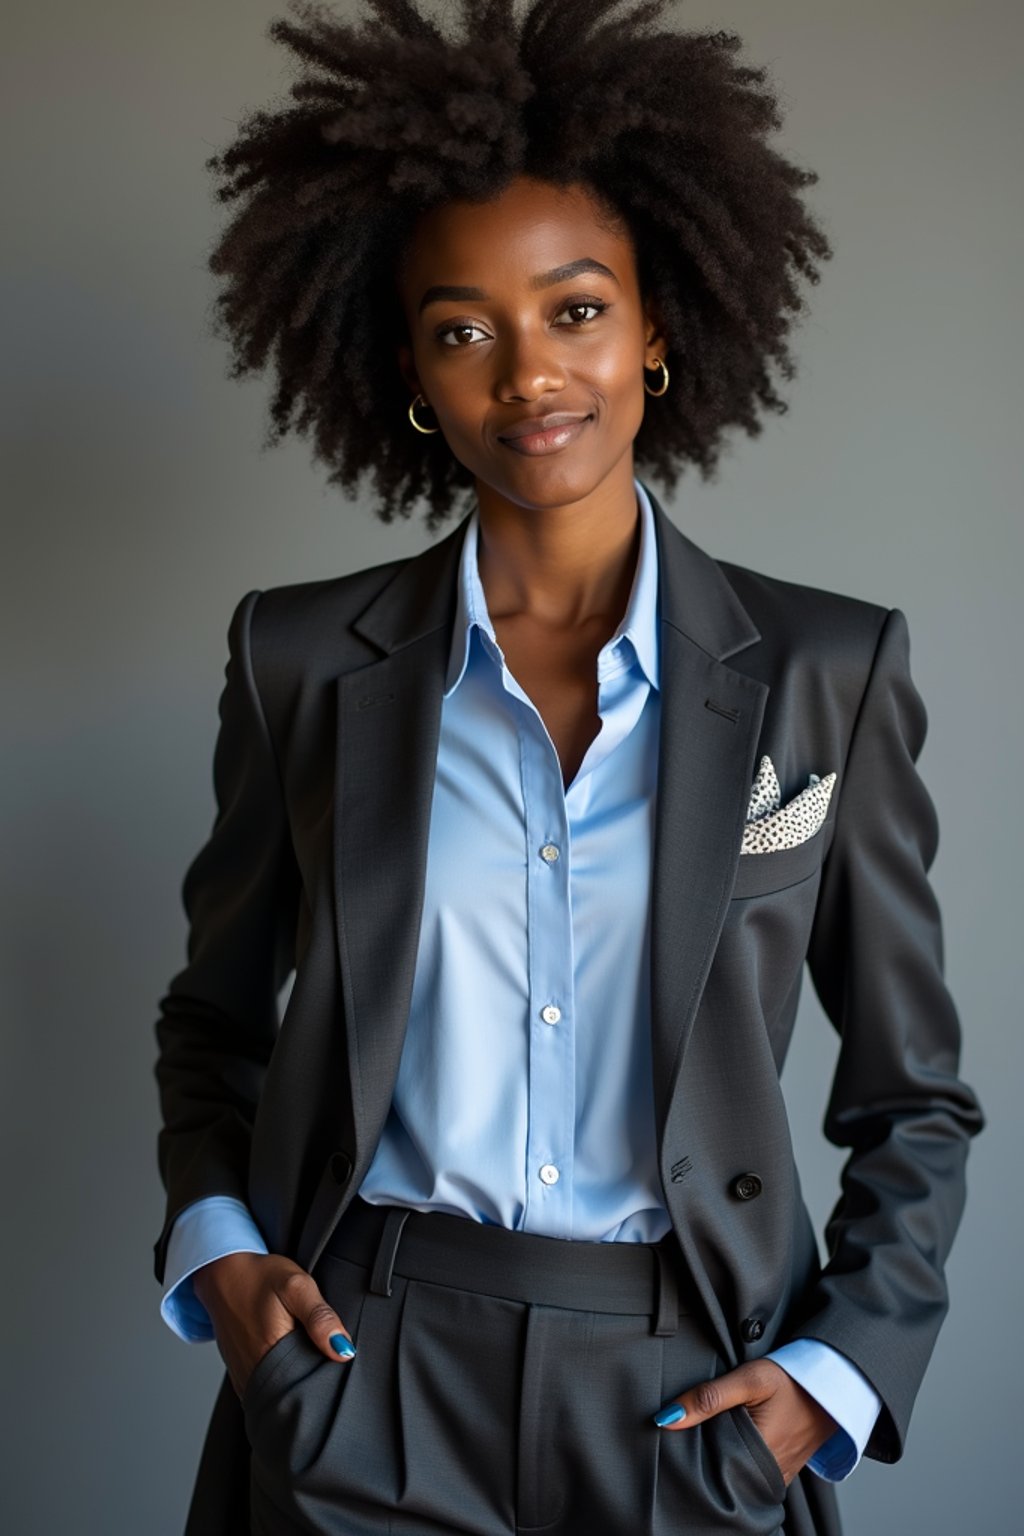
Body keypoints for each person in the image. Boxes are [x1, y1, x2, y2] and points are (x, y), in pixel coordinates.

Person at [152, 3, 984, 1534]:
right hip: (362, 1372)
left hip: (696, 1388)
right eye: (465, 328)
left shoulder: (826, 672)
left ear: (658, 329)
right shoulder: (300, 664)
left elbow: (914, 1100)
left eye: (578, 310)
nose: (530, 374)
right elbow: (215, 1019)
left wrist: (836, 1375)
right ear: (408, 369)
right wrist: (220, 1253)